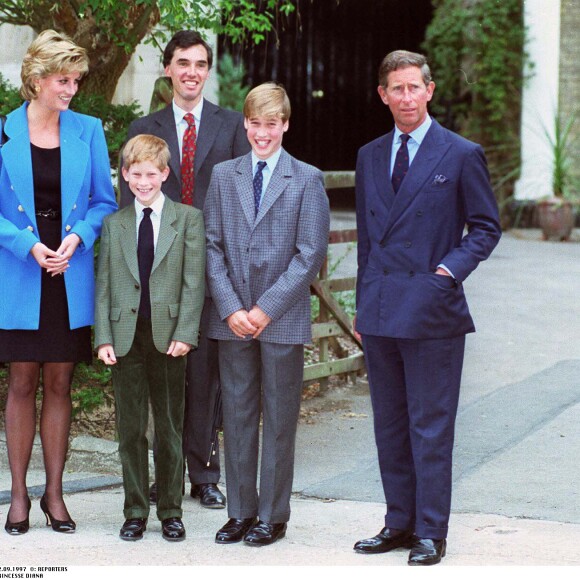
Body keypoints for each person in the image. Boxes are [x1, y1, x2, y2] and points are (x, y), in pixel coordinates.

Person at [352, 50, 502, 565]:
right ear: (383, 95)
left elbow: (485, 228)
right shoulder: (371, 154)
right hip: (381, 307)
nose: (407, 97)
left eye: (415, 87)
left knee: (430, 424)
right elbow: (370, 238)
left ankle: (431, 531)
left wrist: (448, 271)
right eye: (397, 88)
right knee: (389, 422)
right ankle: (398, 522)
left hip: (433, 309)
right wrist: (360, 302)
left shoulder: (460, 153)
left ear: (430, 90)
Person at [120, 30, 251, 509]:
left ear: (207, 70)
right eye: (182, 63)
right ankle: (166, 475)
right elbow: (125, 209)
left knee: (204, 376)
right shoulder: (143, 128)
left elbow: (242, 202)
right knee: (162, 376)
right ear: (168, 69)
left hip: (214, 269)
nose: (191, 72)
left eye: (200, 64)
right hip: (157, 271)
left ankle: (203, 474)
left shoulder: (232, 125)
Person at [0, 29, 117, 535]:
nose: (71, 90)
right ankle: (20, 495)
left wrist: (79, 238)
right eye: (62, 80)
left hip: (70, 271)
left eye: (75, 81)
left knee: (62, 383)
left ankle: (55, 493)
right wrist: (26, 243)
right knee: (22, 380)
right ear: (36, 80)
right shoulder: (3, 131)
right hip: (22, 269)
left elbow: (104, 202)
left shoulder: (89, 130)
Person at [205, 82, 330, 546]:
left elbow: (309, 254)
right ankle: (240, 511)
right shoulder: (224, 176)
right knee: (236, 414)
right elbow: (212, 245)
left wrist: (264, 309)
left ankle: (272, 516)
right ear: (245, 123)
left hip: (282, 318)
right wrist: (233, 308)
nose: (262, 133)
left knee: (278, 416)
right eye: (255, 123)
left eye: (271, 124)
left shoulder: (307, 178)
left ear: (286, 125)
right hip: (231, 317)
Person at [95, 134, 206, 542]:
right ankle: (135, 509)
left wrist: (186, 333)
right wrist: (103, 336)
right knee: (130, 428)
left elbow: (193, 283)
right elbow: (104, 284)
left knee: (169, 427)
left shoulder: (187, 219)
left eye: (151, 174)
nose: (144, 182)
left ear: (165, 173)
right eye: (135, 174)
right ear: (124, 175)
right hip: (126, 337)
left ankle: (171, 510)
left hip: (168, 338)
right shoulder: (114, 223)